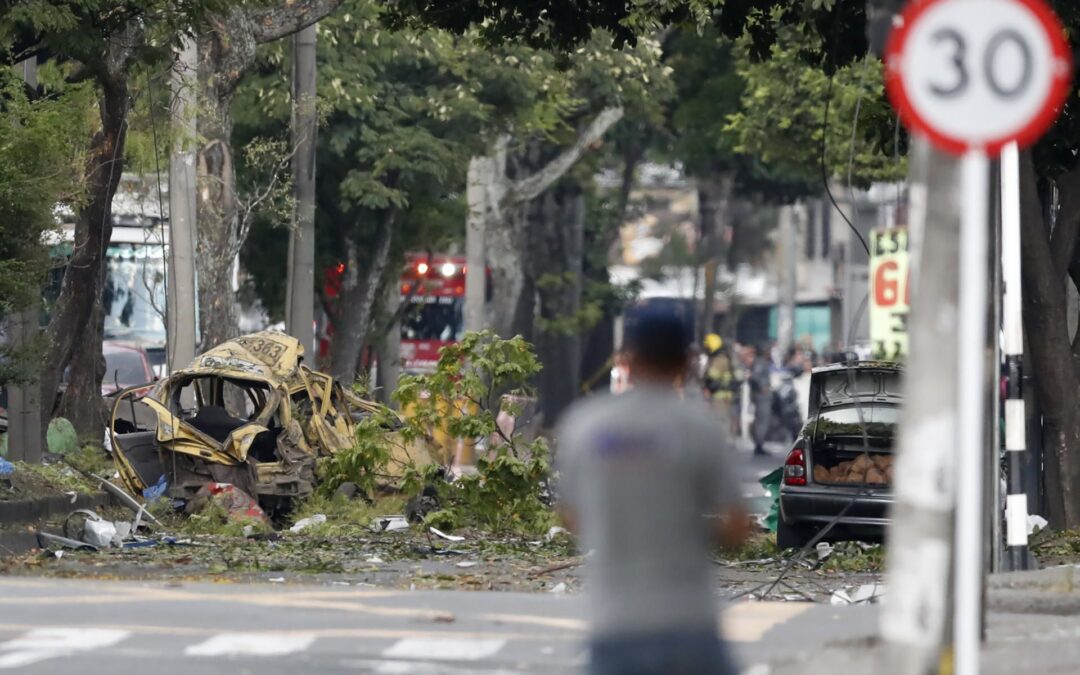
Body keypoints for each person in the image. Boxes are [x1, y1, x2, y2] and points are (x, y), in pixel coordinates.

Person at [556, 310, 749, 675]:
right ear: (687, 362)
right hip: (690, 625)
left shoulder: (585, 424)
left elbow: (571, 516)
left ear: (627, 359)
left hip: (615, 625)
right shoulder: (700, 428)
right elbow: (738, 527)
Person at [741, 343, 773, 456]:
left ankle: (759, 444)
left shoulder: (760, 362)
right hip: (762, 396)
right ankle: (759, 445)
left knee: (760, 421)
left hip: (759, 395)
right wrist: (762, 386)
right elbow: (756, 377)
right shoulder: (760, 362)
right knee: (762, 421)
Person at [703, 333, 735, 430]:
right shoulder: (723, 358)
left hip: (719, 396)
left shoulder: (719, 360)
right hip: (722, 395)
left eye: (707, 347)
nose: (706, 349)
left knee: (718, 422)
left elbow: (711, 376)